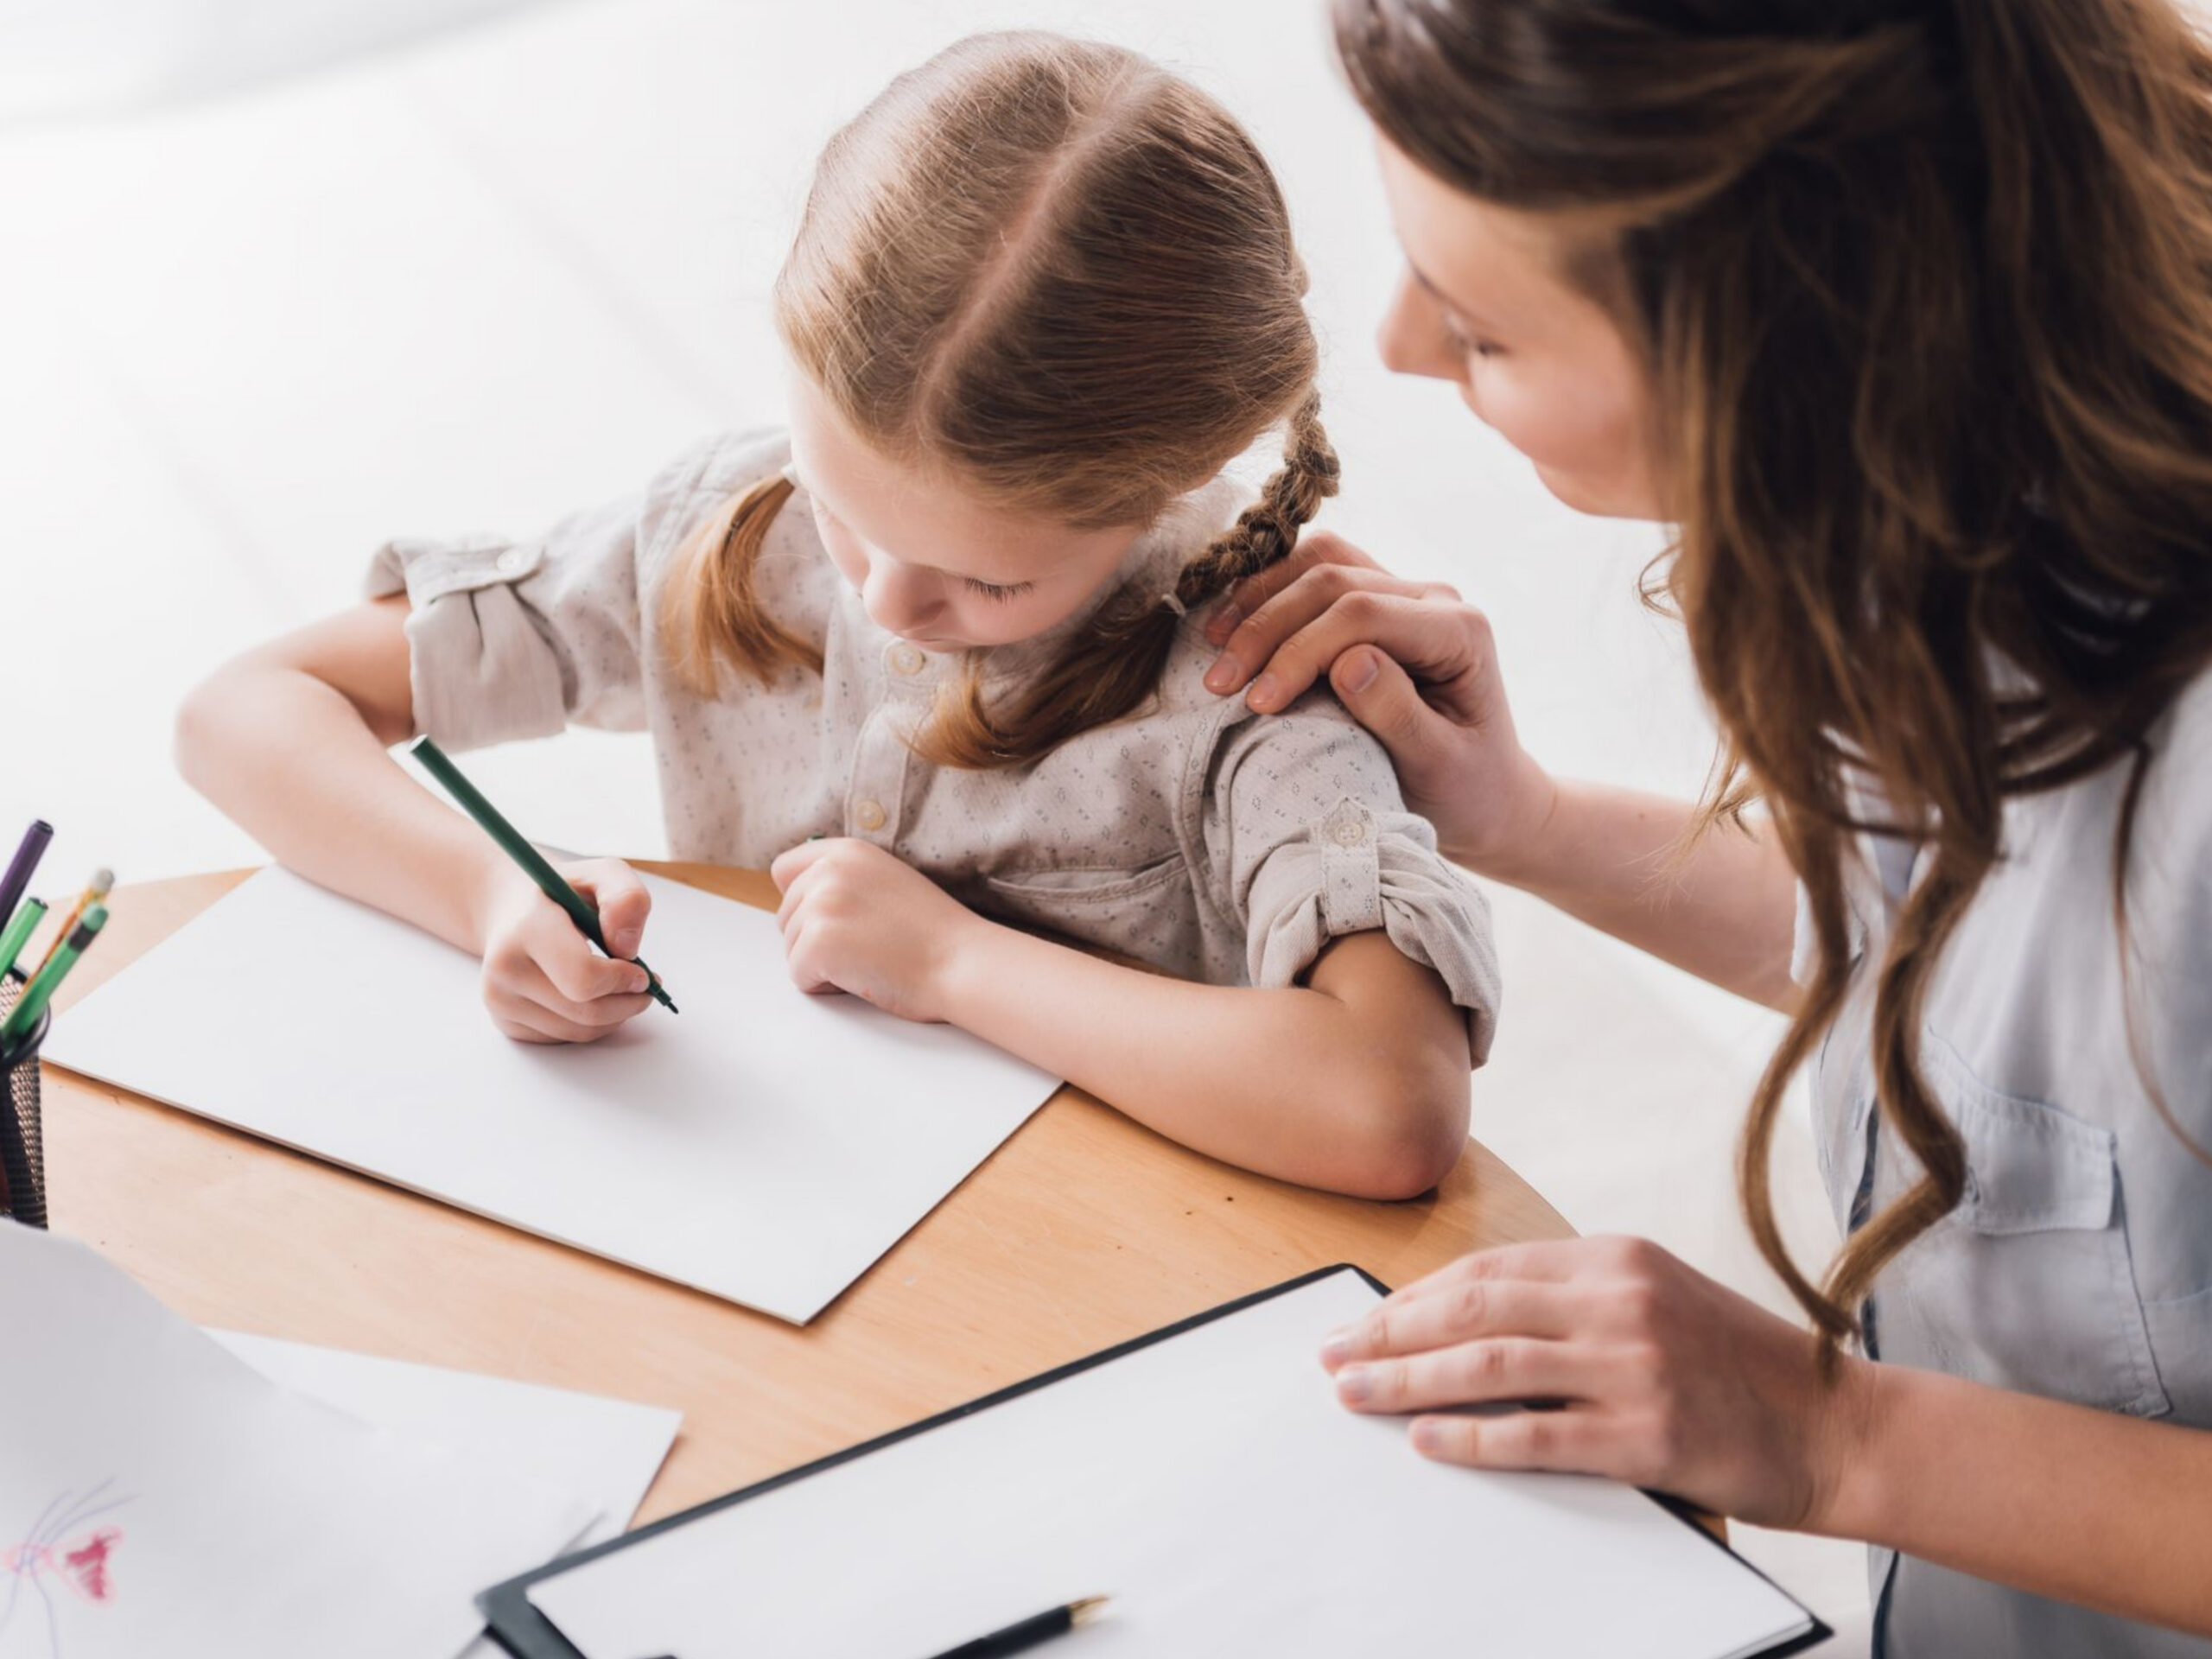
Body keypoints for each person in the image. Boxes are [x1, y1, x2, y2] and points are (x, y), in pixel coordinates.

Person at [1205, 0, 2212, 1649]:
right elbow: (1968, 989)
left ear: (1796, 323)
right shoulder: (1949, 489)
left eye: (1482, 325)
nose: (1392, 345)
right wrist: (1518, 815)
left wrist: (1837, 1436)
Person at [172, 31, 1501, 1202]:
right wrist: (488, 895)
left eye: (987, 583)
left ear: (1161, 488)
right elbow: (242, 712)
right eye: (847, 510)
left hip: (1099, 1296)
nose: (884, 601)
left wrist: (954, 967)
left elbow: (1389, 1106)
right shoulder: (737, 531)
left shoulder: (1249, 674)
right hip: (758, 1216)